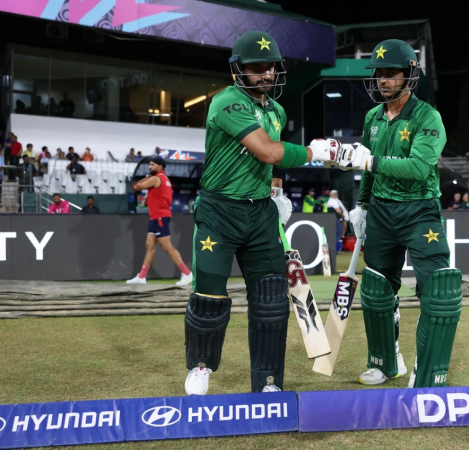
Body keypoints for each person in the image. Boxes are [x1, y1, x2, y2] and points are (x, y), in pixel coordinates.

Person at [181, 31, 337, 396]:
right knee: (209, 295)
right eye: (257, 68)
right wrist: (315, 152)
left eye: (271, 67)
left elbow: (273, 161)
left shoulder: (276, 111)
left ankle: (268, 382)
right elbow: (267, 151)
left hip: (260, 214)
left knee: (270, 300)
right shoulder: (226, 102)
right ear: (237, 70)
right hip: (220, 211)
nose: (266, 74)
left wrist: (276, 191)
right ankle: (201, 368)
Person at [338, 39, 460, 389]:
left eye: (391, 73)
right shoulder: (373, 117)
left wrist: (370, 162)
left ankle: (429, 371)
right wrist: (362, 204)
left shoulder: (428, 117)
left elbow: (418, 168)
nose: (383, 80)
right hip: (381, 212)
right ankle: (385, 362)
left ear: (409, 75)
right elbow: (368, 168)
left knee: (438, 289)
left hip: (420, 211)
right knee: (377, 289)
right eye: (379, 74)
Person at [127, 157, 193, 286]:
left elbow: (137, 186)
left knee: (166, 246)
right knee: (149, 245)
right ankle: (142, 276)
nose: (150, 167)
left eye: (152, 165)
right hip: (156, 217)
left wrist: (147, 176)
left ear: (160, 166)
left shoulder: (156, 178)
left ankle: (187, 273)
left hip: (159, 217)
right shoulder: (164, 178)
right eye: (149, 165)